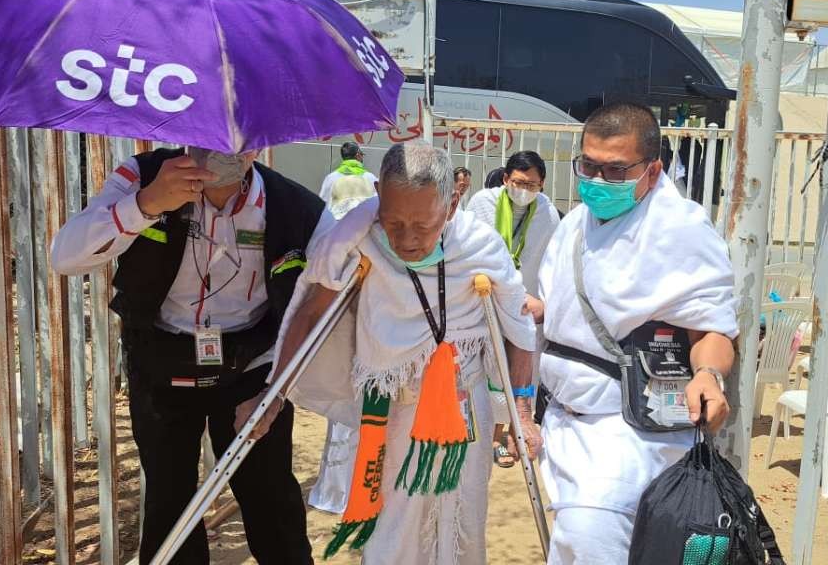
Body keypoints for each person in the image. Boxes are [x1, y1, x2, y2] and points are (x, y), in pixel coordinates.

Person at [254, 141, 538, 565]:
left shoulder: (480, 247)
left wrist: (524, 414)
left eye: (422, 225)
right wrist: (274, 392)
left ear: (453, 203)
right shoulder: (356, 237)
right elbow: (312, 310)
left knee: (463, 519)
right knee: (393, 526)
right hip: (392, 405)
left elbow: (516, 327)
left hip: (465, 407)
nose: (406, 239)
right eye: (393, 222)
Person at [51, 145, 322, 564]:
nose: (223, 149)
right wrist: (144, 205)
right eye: (208, 134)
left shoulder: (294, 206)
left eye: (239, 137)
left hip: (252, 369)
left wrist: (277, 389)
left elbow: (337, 281)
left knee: (271, 500)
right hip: (162, 364)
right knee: (169, 500)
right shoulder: (142, 176)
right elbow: (65, 256)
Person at [535, 102, 737, 564]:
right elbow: (566, 311)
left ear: (652, 170)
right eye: (588, 165)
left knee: (591, 532)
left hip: (628, 430)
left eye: (615, 169)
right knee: (570, 544)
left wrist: (707, 374)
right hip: (564, 419)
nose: (597, 180)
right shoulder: (572, 224)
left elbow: (711, 325)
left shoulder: (680, 228)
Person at [466, 151, 560, 468]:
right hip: (488, 300)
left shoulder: (547, 213)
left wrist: (542, 301)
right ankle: (492, 434)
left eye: (532, 184)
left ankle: (512, 432)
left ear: (542, 185)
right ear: (506, 179)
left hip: (526, 304)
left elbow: (551, 261)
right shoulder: (482, 203)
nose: (524, 189)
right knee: (492, 365)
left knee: (523, 371)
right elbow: (470, 248)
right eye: (519, 182)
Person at [306, 173, 376, 515]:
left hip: (375, 345)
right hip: (351, 341)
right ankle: (338, 494)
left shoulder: (333, 180)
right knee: (346, 421)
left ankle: (362, 492)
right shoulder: (342, 239)